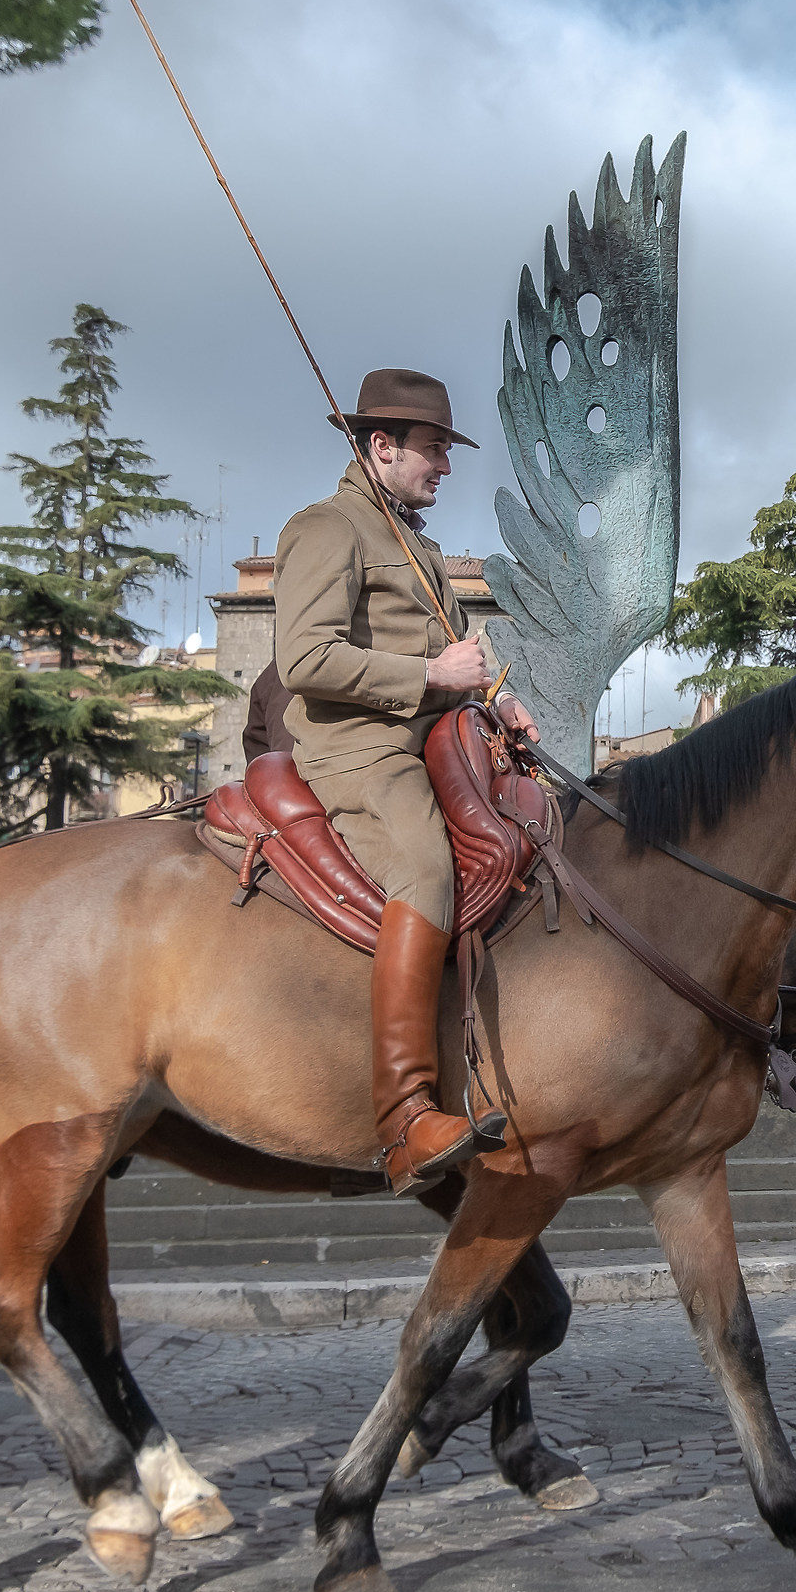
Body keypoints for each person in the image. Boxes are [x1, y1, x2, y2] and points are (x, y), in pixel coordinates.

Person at [273, 368, 542, 1196]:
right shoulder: (326, 528)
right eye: (434, 449)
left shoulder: (417, 544)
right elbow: (304, 659)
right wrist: (430, 674)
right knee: (426, 866)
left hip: (441, 741)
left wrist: (499, 698)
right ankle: (405, 1117)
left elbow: (461, 657)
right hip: (361, 750)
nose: (446, 466)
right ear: (381, 447)